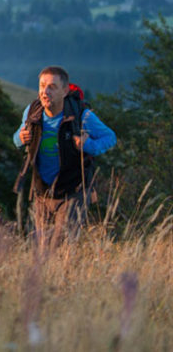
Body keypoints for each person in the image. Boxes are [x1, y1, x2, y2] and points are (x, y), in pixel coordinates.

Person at [13, 66, 116, 245]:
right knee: (41, 249)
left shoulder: (81, 115)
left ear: (65, 91)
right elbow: (16, 138)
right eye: (42, 86)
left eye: (52, 87)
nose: (45, 92)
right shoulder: (32, 112)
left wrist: (88, 145)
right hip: (42, 192)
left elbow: (110, 137)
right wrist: (20, 138)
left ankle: (65, 272)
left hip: (72, 191)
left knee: (60, 246)